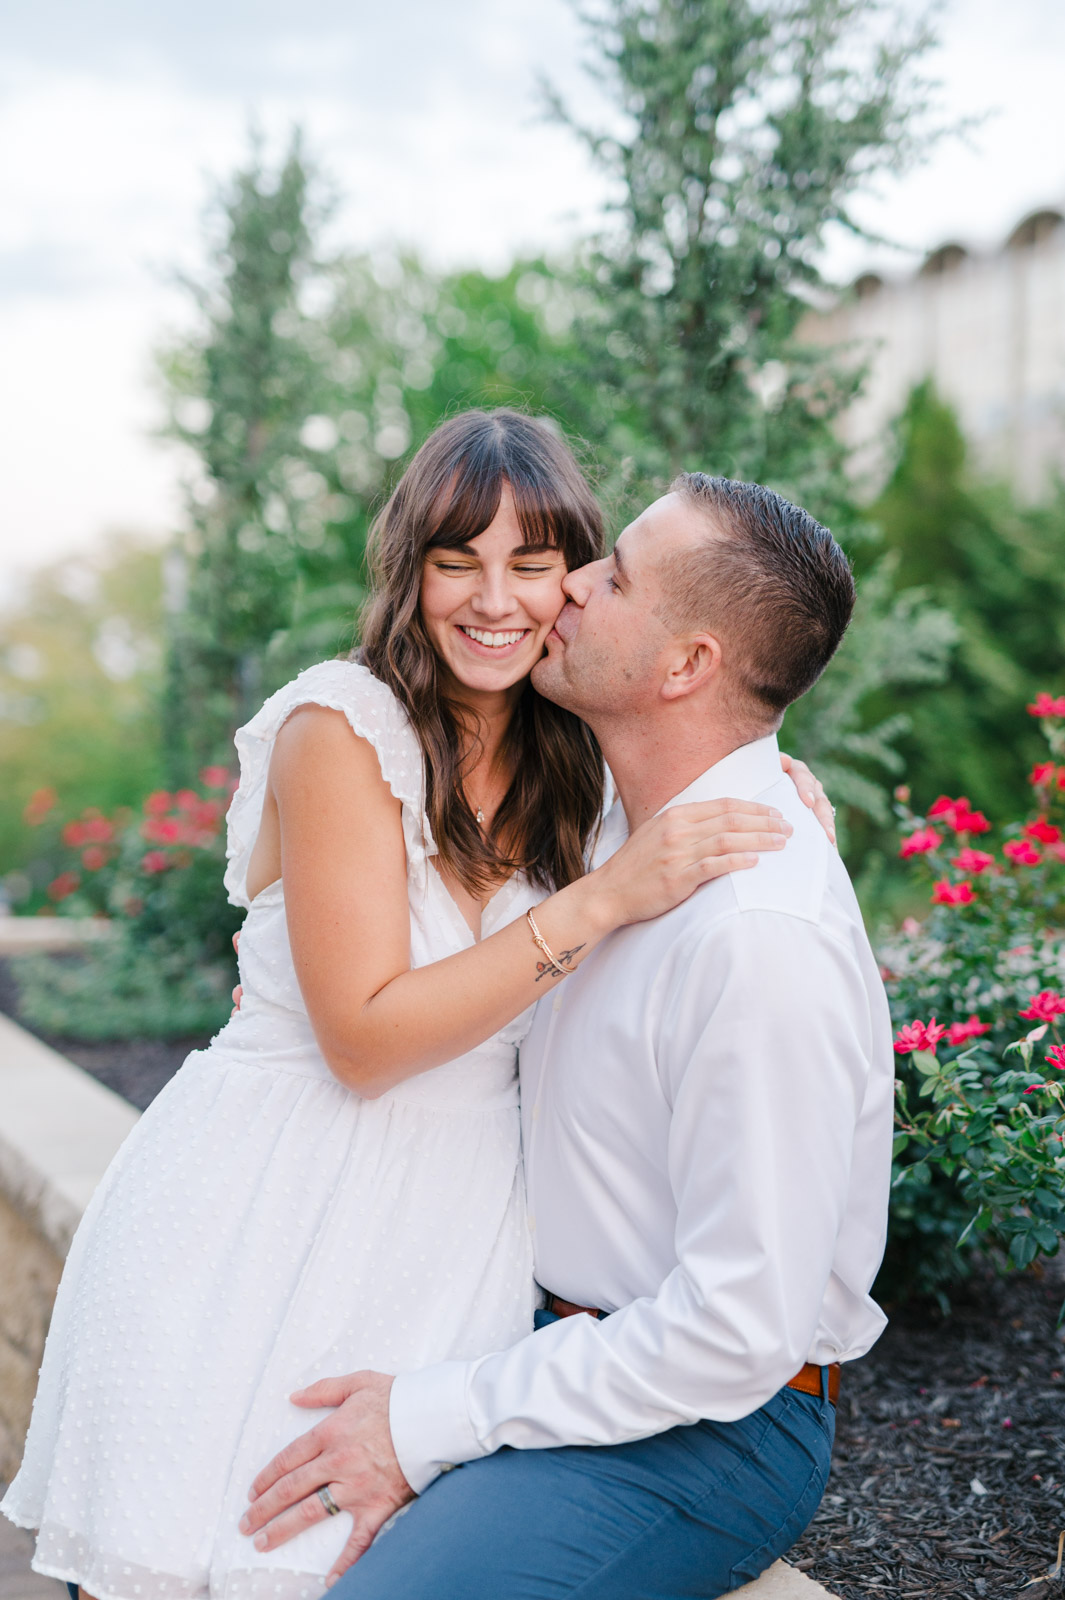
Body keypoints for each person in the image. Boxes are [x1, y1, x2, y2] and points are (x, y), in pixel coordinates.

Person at [1, 413, 832, 1600]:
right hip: (257, 1210)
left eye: (533, 564)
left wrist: (775, 782)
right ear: (411, 569)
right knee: (169, 1563)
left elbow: (702, 761)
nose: (495, 600)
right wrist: (599, 902)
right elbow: (366, 1037)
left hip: (446, 1247)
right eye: (459, 561)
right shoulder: (343, 726)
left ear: (577, 581)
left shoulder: (578, 762)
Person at [238, 473, 895, 1600]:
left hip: (706, 1426)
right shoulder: (605, 829)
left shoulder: (755, 935)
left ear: (687, 666)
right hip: (529, 1334)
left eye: (614, 575)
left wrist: (428, 1418)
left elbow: (734, 1332)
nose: (569, 586)